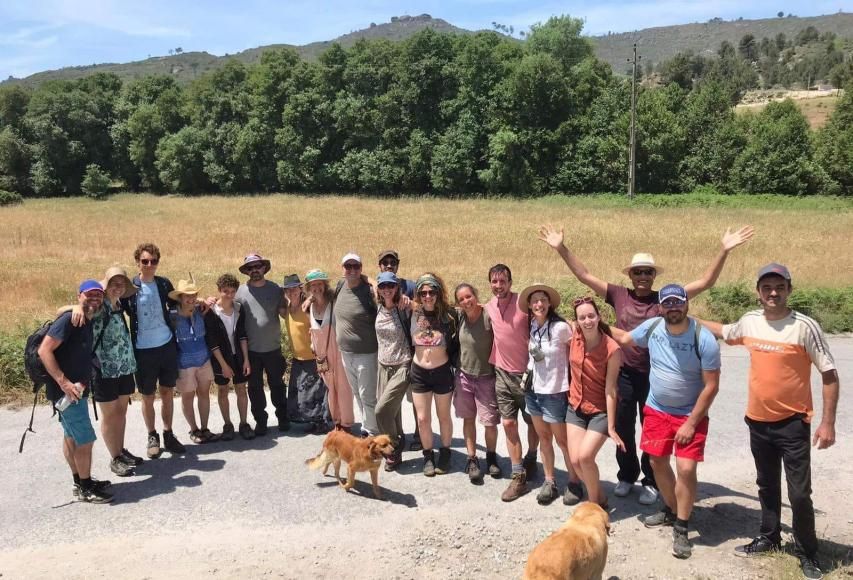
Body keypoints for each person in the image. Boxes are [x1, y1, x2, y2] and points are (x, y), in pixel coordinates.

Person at [538, 224, 753, 505]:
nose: (642, 276)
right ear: (630, 275)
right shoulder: (619, 295)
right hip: (625, 372)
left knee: (651, 428)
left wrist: (724, 250)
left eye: (647, 272)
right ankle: (627, 475)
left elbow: (704, 282)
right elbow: (584, 275)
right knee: (624, 427)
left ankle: (650, 480)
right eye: (637, 272)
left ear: (654, 276)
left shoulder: (666, 298)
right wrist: (561, 248)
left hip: (656, 375)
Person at [697, 264, 838, 580]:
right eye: (766, 288)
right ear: (759, 292)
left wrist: (827, 423)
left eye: (779, 287)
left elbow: (829, 374)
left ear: (789, 289)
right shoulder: (750, 321)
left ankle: (807, 553)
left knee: (799, 493)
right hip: (757, 421)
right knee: (766, 484)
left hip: (793, 423)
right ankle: (769, 537)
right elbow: (724, 331)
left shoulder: (804, 327)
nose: (773, 293)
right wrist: (683, 315)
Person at [610, 284, 721, 560]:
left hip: (689, 415)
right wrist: (592, 324)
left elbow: (711, 387)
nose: (673, 308)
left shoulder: (702, 337)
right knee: (657, 461)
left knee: (685, 468)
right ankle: (671, 510)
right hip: (657, 410)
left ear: (686, 304)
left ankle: (682, 527)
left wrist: (691, 423)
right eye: (667, 303)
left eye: (678, 302)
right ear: (660, 306)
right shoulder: (653, 327)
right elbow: (624, 339)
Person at [64, 267, 143, 477]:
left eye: (121, 284)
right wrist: (77, 307)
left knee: (121, 412)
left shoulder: (119, 305)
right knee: (110, 416)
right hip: (104, 369)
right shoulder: (99, 306)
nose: (118, 288)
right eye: (114, 284)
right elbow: (63, 312)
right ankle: (115, 458)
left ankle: (120, 450)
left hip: (125, 367)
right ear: (106, 287)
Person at [38, 280, 113, 503]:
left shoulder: (85, 317)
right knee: (85, 438)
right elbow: (44, 350)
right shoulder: (70, 321)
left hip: (76, 389)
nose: (94, 299)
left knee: (71, 435)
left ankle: (80, 482)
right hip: (67, 392)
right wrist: (64, 383)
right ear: (79, 295)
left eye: (98, 295)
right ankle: (87, 486)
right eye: (89, 295)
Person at [518, 284, 584, 506]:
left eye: (543, 300)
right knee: (544, 438)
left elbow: (577, 349)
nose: (539, 304)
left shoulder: (561, 328)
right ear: (529, 305)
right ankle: (550, 481)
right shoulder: (533, 326)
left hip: (555, 392)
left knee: (563, 441)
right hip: (534, 391)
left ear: (549, 304)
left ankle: (575, 482)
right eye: (535, 300)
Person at [121, 243, 185, 458]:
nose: (150, 265)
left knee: (167, 392)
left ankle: (168, 433)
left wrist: (203, 301)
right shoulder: (130, 288)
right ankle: (152, 436)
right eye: (145, 261)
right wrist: (77, 308)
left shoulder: (164, 283)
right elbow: (112, 304)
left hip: (166, 345)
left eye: (154, 261)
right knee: (148, 396)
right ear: (137, 262)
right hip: (143, 350)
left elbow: (179, 303)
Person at [485, 264, 540, 502]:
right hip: (502, 374)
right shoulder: (488, 306)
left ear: (510, 281)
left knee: (533, 423)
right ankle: (518, 476)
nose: (499, 286)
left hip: (528, 376)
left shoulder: (524, 304)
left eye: (503, 281)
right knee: (508, 423)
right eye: (495, 282)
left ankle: (532, 456)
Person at [565, 296, 624, 509]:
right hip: (575, 407)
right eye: (582, 317)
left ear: (599, 317)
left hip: (599, 410)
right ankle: (600, 498)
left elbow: (611, 389)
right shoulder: (573, 337)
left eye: (591, 316)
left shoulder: (611, 349)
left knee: (585, 457)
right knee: (574, 461)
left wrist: (611, 427)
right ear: (577, 321)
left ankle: (593, 505)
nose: (587, 321)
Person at [410, 273, 459, 476]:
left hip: (442, 371)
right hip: (419, 372)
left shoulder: (449, 315)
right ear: (418, 295)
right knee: (422, 419)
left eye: (432, 292)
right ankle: (428, 455)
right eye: (423, 293)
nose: (427, 296)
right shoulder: (411, 312)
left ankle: (445, 452)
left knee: (443, 416)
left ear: (438, 292)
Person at [453, 283, 501, 483]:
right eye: (462, 299)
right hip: (464, 375)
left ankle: (491, 456)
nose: (466, 301)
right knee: (468, 419)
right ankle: (472, 459)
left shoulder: (489, 316)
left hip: (486, 376)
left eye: (469, 296)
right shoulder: (459, 317)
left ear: (475, 295)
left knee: (489, 422)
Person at [236, 253, 288, 436]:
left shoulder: (275, 289)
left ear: (264, 268)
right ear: (247, 272)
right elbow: (228, 309)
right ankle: (261, 421)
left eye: (257, 266)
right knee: (255, 389)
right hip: (251, 351)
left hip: (273, 348)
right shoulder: (240, 292)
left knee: (277, 385)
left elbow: (285, 312)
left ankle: (283, 417)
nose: (255, 270)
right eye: (250, 268)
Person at [334, 253, 379, 436]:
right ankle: (368, 428)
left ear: (361, 269)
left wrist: (372, 281)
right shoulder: (339, 286)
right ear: (342, 268)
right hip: (346, 353)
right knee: (358, 394)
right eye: (348, 266)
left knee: (368, 396)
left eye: (356, 267)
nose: (352, 270)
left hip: (366, 353)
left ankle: (372, 432)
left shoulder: (368, 291)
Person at [204, 273, 253, 441]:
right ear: (219, 291)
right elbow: (212, 342)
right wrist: (223, 365)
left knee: (241, 388)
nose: (230, 295)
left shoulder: (239, 308)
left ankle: (244, 423)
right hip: (220, 358)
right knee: (223, 389)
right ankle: (227, 424)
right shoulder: (210, 311)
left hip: (238, 356)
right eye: (226, 291)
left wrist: (246, 359)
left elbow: (242, 335)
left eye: (233, 291)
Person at [304, 269, 354, 431]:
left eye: (319, 284)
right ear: (308, 288)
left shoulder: (334, 302)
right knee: (331, 389)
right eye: (313, 285)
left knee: (344, 389)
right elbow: (312, 329)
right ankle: (337, 422)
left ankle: (346, 424)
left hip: (338, 352)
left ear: (325, 285)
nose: (316, 288)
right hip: (322, 356)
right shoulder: (309, 307)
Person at [377, 249, 418, 447]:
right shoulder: (376, 300)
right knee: (392, 407)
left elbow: (426, 307)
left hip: (406, 359)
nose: (389, 265)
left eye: (393, 262)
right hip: (384, 363)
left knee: (415, 400)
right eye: (385, 262)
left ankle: (419, 433)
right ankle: (397, 439)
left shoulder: (409, 287)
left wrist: (412, 303)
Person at [373, 271, 412, 471]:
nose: (387, 290)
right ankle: (396, 449)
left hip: (402, 365)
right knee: (392, 411)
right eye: (383, 286)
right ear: (378, 289)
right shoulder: (377, 307)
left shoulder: (403, 307)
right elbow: (365, 279)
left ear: (397, 287)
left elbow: (423, 309)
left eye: (391, 286)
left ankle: (394, 445)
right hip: (382, 365)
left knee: (381, 409)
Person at [170, 280, 217, 444]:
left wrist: (206, 299)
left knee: (204, 394)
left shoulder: (200, 310)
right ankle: (194, 429)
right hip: (184, 363)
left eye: (193, 295)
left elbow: (214, 301)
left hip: (204, 360)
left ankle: (204, 428)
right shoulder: (173, 315)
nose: (190, 299)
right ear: (180, 297)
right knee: (187, 397)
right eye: (187, 296)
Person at [282, 274, 328, 433]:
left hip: (312, 358)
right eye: (288, 290)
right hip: (298, 358)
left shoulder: (308, 305)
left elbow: (320, 319)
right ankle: (310, 420)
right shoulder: (287, 309)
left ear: (300, 289)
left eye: (294, 288)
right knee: (301, 393)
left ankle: (320, 422)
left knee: (315, 393)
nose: (291, 292)